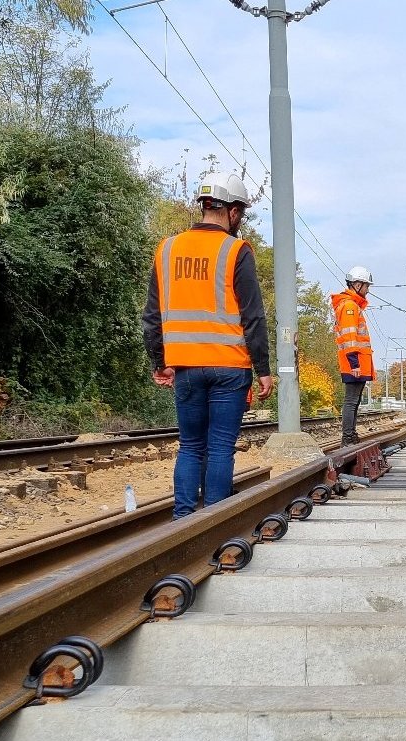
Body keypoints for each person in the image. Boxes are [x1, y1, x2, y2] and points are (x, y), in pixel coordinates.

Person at [142, 172, 274, 519]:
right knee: (219, 448)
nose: (240, 220)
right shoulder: (235, 250)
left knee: (190, 446)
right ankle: (212, 523)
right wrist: (263, 369)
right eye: (241, 213)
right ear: (231, 211)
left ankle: (183, 519)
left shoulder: (167, 248)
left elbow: (152, 315)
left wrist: (159, 360)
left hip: (184, 365)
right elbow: (253, 315)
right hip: (229, 366)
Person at [331, 266, 375, 445]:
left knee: (354, 401)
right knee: (351, 401)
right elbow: (350, 338)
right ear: (357, 285)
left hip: (356, 362)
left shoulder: (351, 305)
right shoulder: (349, 306)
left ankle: (351, 435)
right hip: (354, 363)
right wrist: (354, 363)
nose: (367, 290)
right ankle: (347, 437)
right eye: (366, 286)